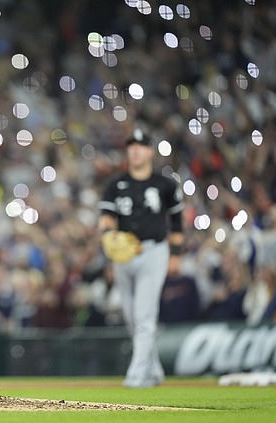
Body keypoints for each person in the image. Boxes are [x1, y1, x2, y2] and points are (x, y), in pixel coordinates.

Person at [97, 129, 184, 388]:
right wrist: (108, 237)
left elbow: (177, 222)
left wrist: (176, 255)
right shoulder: (115, 184)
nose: (135, 149)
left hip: (154, 251)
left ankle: (136, 375)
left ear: (150, 152)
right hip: (124, 255)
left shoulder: (165, 185)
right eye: (131, 145)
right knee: (131, 317)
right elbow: (107, 218)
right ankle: (154, 371)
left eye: (141, 145)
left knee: (144, 315)